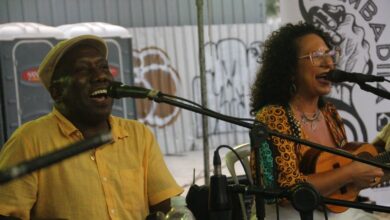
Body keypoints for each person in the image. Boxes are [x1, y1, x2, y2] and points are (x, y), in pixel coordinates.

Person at [0, 35, 183, 219]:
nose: (100, 76)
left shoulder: (138, 135)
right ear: (57, 92)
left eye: (104, 67)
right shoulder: (29, 141)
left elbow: (168, 205)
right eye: (82, 69)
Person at [249, 22, 385, 219]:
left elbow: (340, 177)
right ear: (290, 68)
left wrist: (364, 175)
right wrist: (351, 172)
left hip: (331, 212)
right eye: (317, 56)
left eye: (329, 55)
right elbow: (285, 192)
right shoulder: (273, 117)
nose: (329, 63)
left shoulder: (329, 113)